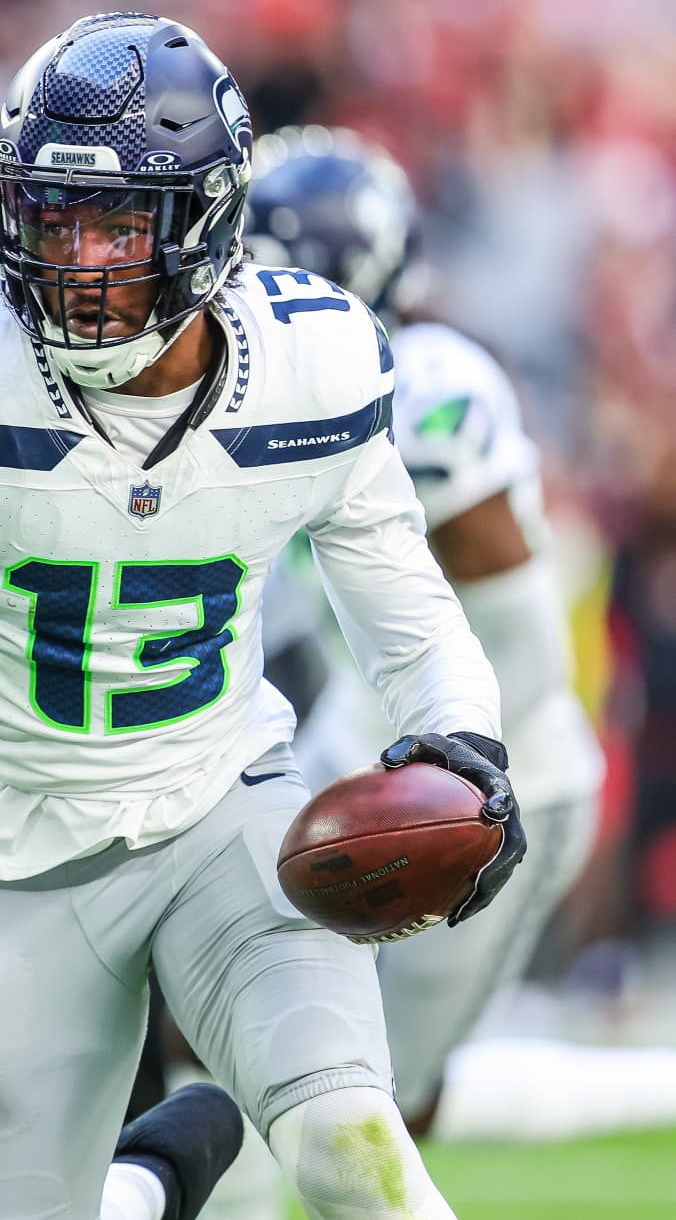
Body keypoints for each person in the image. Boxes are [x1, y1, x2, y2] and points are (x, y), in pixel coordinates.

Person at [0, 13, 525, 1220]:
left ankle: (168, 1165)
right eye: (53, 218)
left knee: (352, 1154)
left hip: (226, 813)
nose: (81, 262)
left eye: (116, 223)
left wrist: (466, 739)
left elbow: (405, 605)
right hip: (11, 850)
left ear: (203, 222)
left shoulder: (317, 367)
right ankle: (157, 1175)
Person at [245, 124, 604, 1136]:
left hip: (470, 767)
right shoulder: (255, 403)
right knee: (228, 1004)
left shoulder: (428, 382)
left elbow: (513, 654)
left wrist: (435, 779)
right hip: (359, 738)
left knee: (380, 1100)